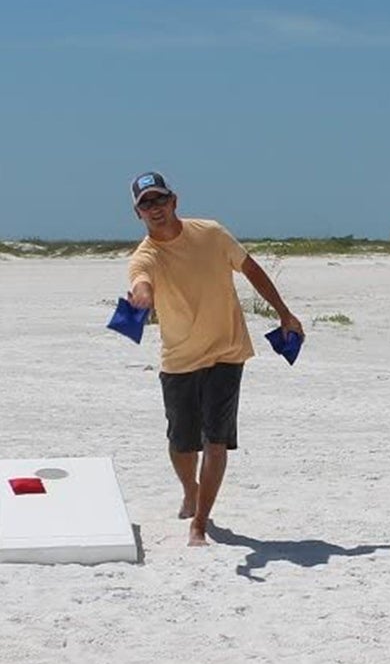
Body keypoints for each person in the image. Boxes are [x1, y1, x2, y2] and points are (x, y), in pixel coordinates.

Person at [125, 172, 305, 548]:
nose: (155, 208)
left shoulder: (211, 233)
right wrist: (141, 297)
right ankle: (190, 490)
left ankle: (200, 524)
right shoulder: (145, 256)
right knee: (181, 443)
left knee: (216, 440)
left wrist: (284, 313)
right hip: (180, 357)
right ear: (137, 213)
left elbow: (251, 269)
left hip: (227, 350)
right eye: (146, 203)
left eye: (160, 199)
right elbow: (141, 283)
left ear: (174, 200)